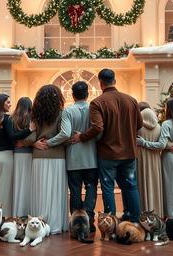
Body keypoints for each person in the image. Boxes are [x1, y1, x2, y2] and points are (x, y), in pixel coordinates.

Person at [72, 69, 143, 223]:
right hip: (129, 152)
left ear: (101, 83)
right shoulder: (131, 100)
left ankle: (111, 222)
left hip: (108, 154)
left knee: (108, 188)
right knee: (130, 186)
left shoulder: (98, 102)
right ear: (114, 81)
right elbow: (139, 124)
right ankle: (135, 220)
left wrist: (81, 137)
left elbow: (98, 127)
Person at [38, 81, 98, 232]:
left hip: (73, 158)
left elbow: (65, 133)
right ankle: (89, 218)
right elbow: (100, 133)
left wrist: (49, 142)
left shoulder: (68, 112)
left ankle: (78, 222)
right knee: (91, 189)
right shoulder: (95, 110)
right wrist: (88, 137)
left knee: (75, 190)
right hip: (92, 157)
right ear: (88, 94)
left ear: (72, 95)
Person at [137, 97, 173, 223]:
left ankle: (170, 216)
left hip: (170, 158)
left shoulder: (166, 124)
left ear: (170, 109)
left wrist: (143, 142)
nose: (164, 109)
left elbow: (161, 145)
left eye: (166, 107)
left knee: (170, 188)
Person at [22, 85, 69, 234]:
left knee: (40, 190)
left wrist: (35, 143)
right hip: (58, 157)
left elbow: (29, 138)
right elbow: (65, 135)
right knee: (55, 191)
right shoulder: (62, 114)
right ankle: (55, 224)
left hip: (38, 157)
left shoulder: (35, 116)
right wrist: (52, 142)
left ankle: (41, 223)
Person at [137, 106, 164, 217]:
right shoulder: (159, 127)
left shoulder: (137, 127)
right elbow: (163, 145)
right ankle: (157, 213)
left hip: (140, 160)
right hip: (155, 161)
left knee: (141, 185)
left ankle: (142, 213)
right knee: (155, 186)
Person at [11, 97, 33, 217]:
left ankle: (17, 212)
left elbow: (11, 136)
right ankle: (27, 211)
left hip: (16, 154)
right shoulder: (32, 118)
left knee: (17, 183)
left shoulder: (12, 118)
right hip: (29, 154)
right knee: (28, 185)